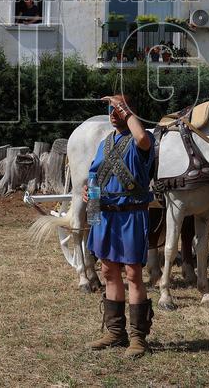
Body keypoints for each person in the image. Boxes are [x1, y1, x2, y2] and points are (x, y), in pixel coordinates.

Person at [82, 94, 156, 358]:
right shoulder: (105, 143)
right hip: (105, 216)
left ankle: (138, 338)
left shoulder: (145, 138)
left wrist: (125, 111)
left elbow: (142, 140)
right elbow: (94, 176)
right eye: (111, 109)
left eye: (118, 109)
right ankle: (115, 333)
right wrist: (88, 197)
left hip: (131, 215)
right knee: (108, 271)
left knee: (133, 274)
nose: (113, 113)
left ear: (130, 111)